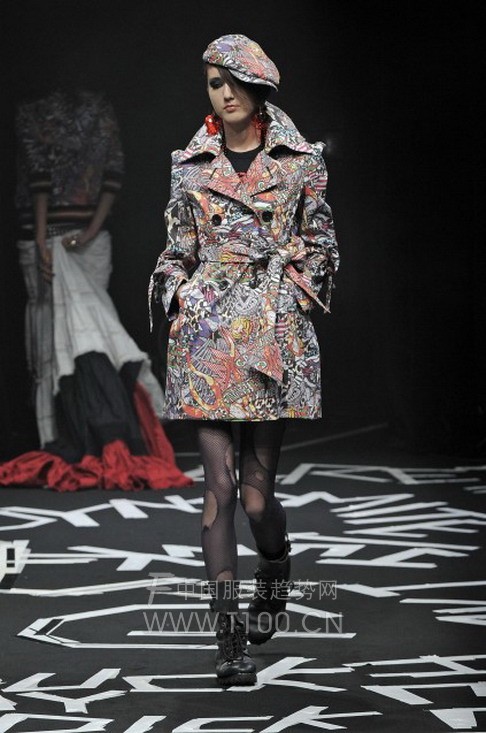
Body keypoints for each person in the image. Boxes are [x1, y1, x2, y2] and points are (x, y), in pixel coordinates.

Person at [149, 34, 339, 686]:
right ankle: (228, 640)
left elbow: (322, 242)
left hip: (268, 338)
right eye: (213, 83)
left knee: (257, 500)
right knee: (219, 492)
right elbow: (176, 248)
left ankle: (276, 566)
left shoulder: (301, 161)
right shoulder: (188, 166)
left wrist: (296, 298)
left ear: (258, 85)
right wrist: (177, 292)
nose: (224, 94)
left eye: (234, 81)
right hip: (206, 338)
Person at [0, 82, 191, 492]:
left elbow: (41, 175)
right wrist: (90, 229)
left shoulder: (37, 109)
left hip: (57, 234)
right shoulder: (96, 108)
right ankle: (92, 430)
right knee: (87, 333)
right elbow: (112, 173)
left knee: (67, 338)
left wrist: (45, 239)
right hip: (83, 234)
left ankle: (66, 434)